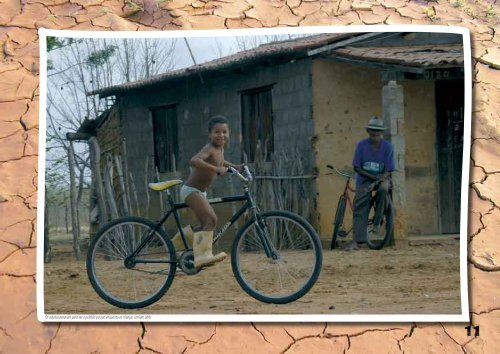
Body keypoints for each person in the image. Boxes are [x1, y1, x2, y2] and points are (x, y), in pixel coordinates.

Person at [173, 115, 242, 268]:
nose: (221, 135)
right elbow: (195, 160)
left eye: (224, 132)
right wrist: (216, 169)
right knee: (212, 219)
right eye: (217, 132)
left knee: (206, 224)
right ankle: (202, 256)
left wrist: (235, 167)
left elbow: (220, 161)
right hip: (192, 190)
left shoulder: (219, 149)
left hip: (200, 192)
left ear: (229, 133)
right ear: (209, 134)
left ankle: (176, 244)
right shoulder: (209, 148)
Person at [345, 116, 395, 251]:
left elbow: (390, 169)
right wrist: (372, 177)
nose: (375, 134)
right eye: (372, 131)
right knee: (360, 203)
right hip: (365, 178)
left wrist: (381, 178)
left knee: (384, 190)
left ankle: (377, 222)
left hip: (382, 178)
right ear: (368, 131)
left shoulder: (387, 147)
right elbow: (357, 167)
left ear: (381, 133)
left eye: (378, 132)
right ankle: (358, 241)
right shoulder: (361, 146)